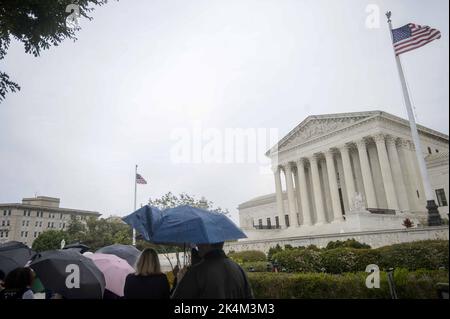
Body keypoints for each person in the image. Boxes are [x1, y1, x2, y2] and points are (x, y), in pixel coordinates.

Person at [171, 242, 253, 299]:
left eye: (200, 240)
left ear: (208, 243)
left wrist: (179, 282)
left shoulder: (196, 272)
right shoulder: (239, 269)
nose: (197, 245)